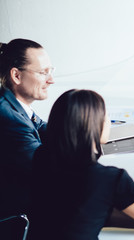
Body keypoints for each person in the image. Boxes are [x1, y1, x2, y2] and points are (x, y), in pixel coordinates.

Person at [28, 89, 134, 240]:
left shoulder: (41, 156)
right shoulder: (109, 178)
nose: (109, 120)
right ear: (94, 125)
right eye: (106, 115)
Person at [0, 39, 55, 217]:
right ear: (16, 76)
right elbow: (48, 171)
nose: (51, 80)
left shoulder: (15, 105)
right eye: (43, 72)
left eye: (50, 71)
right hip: (22, 217)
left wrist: (85, 129)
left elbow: (45, 129)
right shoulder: (9, 118)